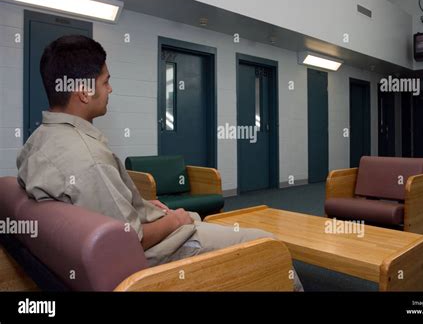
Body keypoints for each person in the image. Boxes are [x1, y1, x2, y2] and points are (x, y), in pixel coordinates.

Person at [16, 35, 303, 291]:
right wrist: (176, 218)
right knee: (269, 244)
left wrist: (141, 207)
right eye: (105, 81)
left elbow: (100, 206)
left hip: (123, 243)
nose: (110, 89)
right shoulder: (88, 157)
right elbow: (130, 241)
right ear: (83, 92)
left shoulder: (37, 142)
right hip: (163, 252)